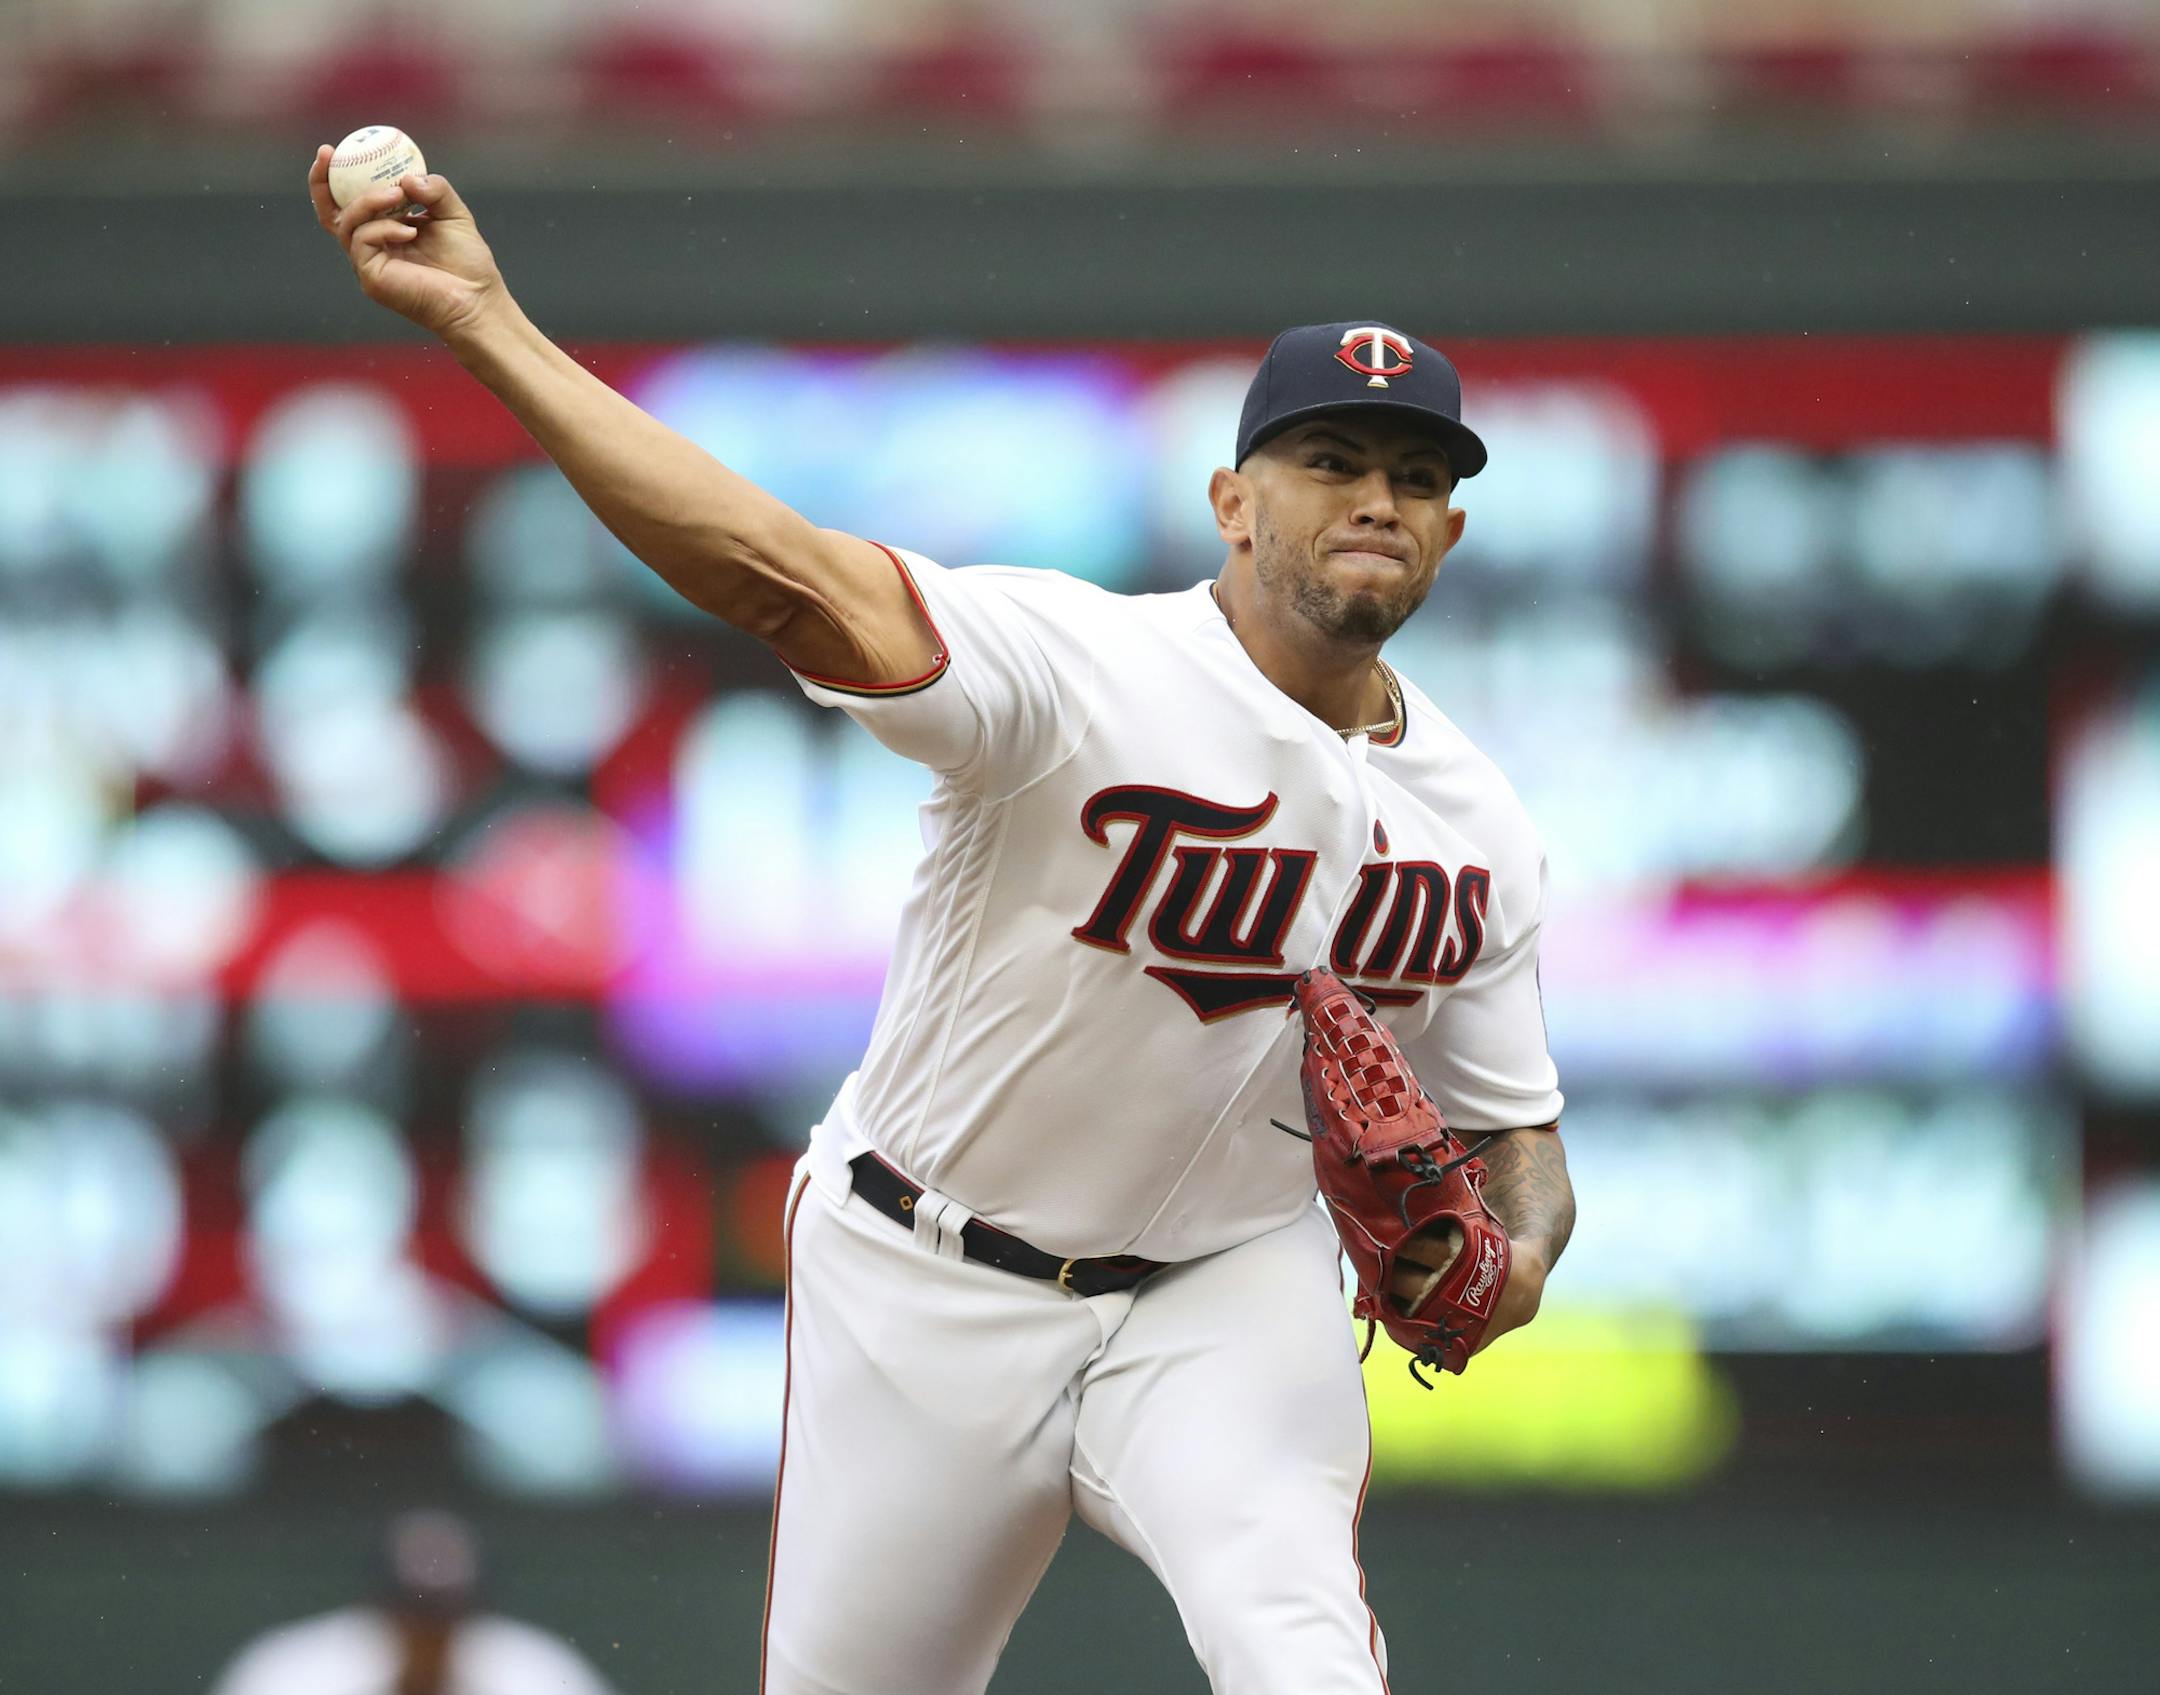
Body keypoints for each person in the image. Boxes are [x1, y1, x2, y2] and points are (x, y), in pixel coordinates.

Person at [310, 153, 1577, 1695]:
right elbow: (779, 577)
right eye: (1330, 457)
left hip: (1225, 1288)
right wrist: (494, 323)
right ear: (1234, 503)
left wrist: (1506, 1260)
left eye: (1417, 473)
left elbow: (1522, 1147)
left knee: (1299, 1653)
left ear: (1449, 529)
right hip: (926, 1268)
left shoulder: (1481, 824)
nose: (1378, 496)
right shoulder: (1075, 665)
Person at [206, 1508, 618, 1695]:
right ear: (378, 1606)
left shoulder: (536, 1675)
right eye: (415, 1612)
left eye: (445, 1612)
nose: (430, 1629)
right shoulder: (293, 1675)